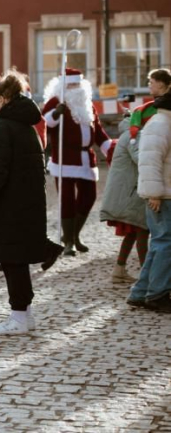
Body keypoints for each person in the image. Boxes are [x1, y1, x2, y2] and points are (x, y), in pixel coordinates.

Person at [0, 69, 64, 335]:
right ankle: (25, 316)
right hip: (27, 203)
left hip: (9, 206)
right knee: (18, 260)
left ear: (4, 98)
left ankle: (19, 318)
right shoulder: (26, 125)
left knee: (12, 261)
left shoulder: (2, 126)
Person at [42, 68, 113, 257]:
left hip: (86, 158)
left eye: (77, 84)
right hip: (65, 158)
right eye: (71, 84)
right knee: (67, 200)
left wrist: (109, 149)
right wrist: (57, 114)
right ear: (63, 85)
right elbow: (45, 123)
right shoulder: (56, 102)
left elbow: (98, 131)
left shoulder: (87, 104)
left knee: (88, 197)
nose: (75, 88)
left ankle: (74, 234)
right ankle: (69, 241)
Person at [128, 88, 171, 313]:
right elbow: (150, 162)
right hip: (163, 195)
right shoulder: (162, 125)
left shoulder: (160, 123)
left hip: (163, 192)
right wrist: (155, 193)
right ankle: (157, 294)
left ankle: (140, 292)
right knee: (165, 244)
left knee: (159, 243)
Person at [99, 115, 148, 283]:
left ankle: (119, 269)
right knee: (143, 228)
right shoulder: (134, 136)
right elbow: (142, 160)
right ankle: (146, 275)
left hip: (128, 191)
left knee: (135, 230)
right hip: (129, 192)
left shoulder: (131, 133)